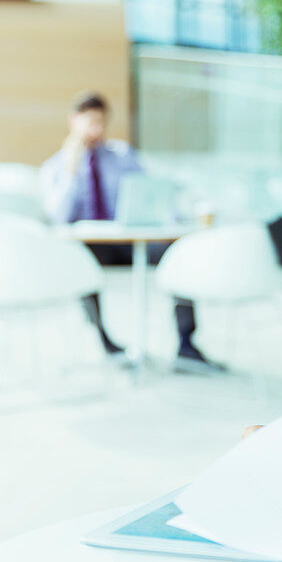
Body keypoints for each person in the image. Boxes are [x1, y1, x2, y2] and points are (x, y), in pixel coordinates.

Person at [41, 93, 217, 369]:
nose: (97, 130)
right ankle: (106, 342)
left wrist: (169, 217)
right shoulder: (55, 168)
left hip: (127, 239)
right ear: (73, 121)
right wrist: (71, 171)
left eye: (101, 123)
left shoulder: (121, 156)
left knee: (179, 254)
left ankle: (186, 343)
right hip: (90, 247)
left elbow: (151, 193)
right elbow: (59, 219)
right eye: (90, 123)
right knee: (80, 264)